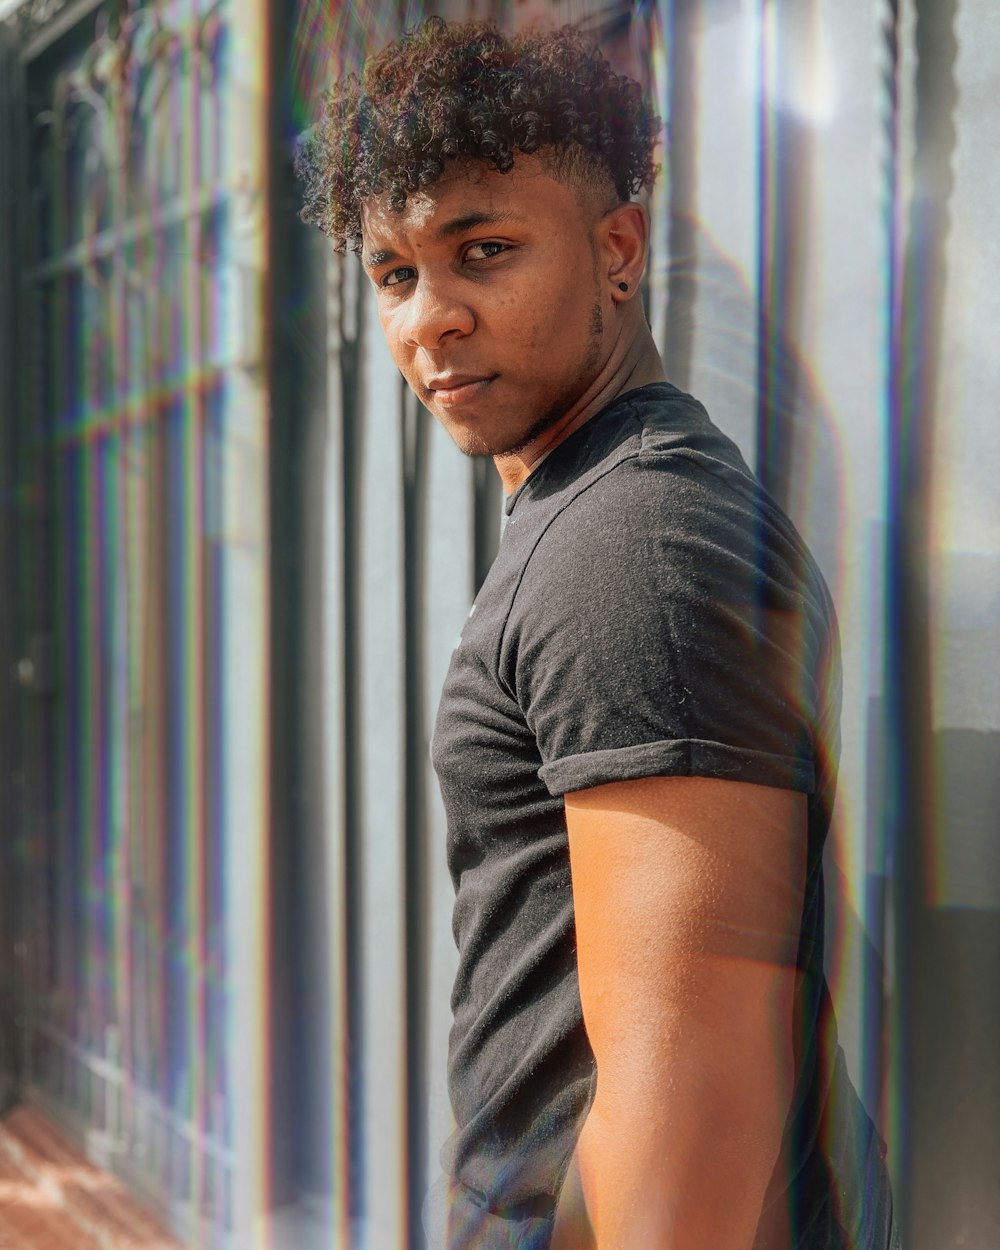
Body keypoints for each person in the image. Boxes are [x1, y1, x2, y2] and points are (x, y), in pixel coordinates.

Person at [298, 16, 897, 1250]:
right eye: (396, 272)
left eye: (486, 251)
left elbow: (693, 1129)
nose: (430, 320)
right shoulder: (602, 508)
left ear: (618, 250)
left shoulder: (635, 548)